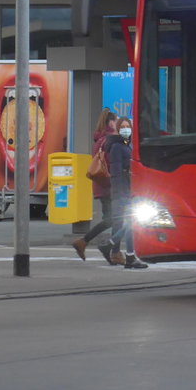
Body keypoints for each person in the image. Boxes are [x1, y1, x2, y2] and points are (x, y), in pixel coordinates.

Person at [71, 108, 118, 262]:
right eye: (116, 121)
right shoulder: (110, 140)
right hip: (110, 185)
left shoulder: (99, 140)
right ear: (111, 122)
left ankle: (111, 250)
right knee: (117, 219)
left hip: (101, 185)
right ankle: (98, 245)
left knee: (113, 219)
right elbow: (112, 164)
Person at [107, 116, 148, 269]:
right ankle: (128, 255)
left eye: (128, 126)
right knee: (132, 223)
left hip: (130, 189)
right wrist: (120, 192)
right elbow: (116, 171)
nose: (126, 129)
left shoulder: (127, 145)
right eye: (122, 127)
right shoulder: (117, 147)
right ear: (118, 129)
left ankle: (110, 245)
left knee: (131, 223)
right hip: (124, 191)